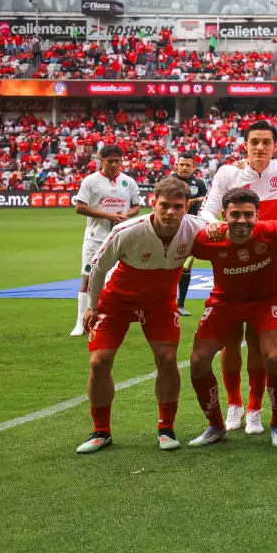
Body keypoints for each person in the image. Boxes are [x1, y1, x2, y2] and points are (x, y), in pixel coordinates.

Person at [76, 177, 205, 454]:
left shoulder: (197, 228)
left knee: (167, 359)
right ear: (153, 203)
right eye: (164, 205)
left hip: (159, 304)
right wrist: (93, 306)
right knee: (99, 362)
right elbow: (98, 268)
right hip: (116, 302)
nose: (170, 212)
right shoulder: (127, 230)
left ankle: (166, 428)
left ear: (187, 207)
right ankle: (101, 431)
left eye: (178, 206)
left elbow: (224, 232)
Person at [201, 119, 277, 434]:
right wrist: (213, 224)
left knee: (259, 343)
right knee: (230, 341)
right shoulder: (228, 173)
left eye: (266, 142)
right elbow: (207, 209)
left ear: (275, 146)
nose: (260, 147)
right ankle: (234, 405)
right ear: (244, 145)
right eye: (254, 142)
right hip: (232, 264)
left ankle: (254, 409)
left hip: (270, 262)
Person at [186, 188, 277, 447]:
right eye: (235, 215)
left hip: (265, 302)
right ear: (224, 215)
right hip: (225, 302)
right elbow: (178, 237)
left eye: (248, 214)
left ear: (258, 215)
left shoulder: (273, 230)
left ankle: (270, 419)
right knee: (199, 360)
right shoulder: (207, 239)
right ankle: (220, 420)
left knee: (271, 357)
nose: (242, 220)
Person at [71, 145, 142, 337]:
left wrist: (126, 215)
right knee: (88, 278)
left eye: (117, 161)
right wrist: (107, 215)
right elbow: (79, 207)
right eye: (109, 161)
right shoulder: (90, 181)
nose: (113, 164)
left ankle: (111, 319)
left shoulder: (128, 182)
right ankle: (80, 322)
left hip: (121, 237)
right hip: (95, 237)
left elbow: (136, 206)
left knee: (117, 279)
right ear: (101, 161)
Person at [170, 154, 208, 318]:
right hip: (170, 228)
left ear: (193, 167)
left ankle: (181, 304)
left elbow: (207, 199)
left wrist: (195, 200)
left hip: (190, 230)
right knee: (167, 266)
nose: (184, 168)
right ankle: (166, 303)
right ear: (176, 165)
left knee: (186, 268)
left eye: (188, 165)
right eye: (182, 164)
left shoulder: (198, 183)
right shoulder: (169, 181)